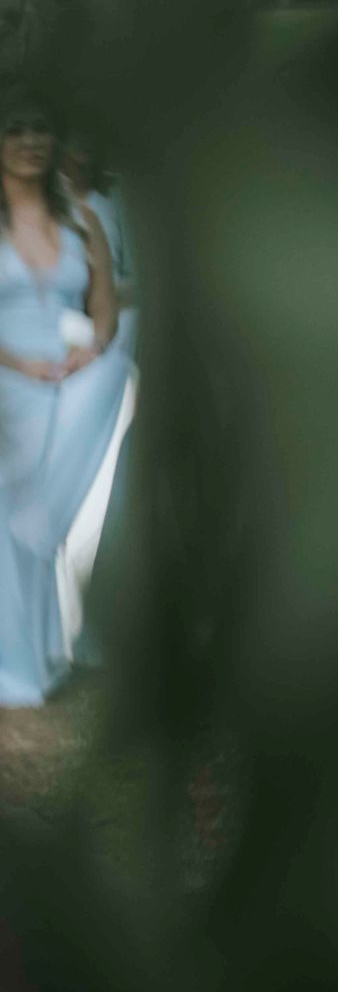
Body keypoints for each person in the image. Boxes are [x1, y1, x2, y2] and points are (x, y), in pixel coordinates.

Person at [0, 90, 133, 706]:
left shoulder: (84, 217)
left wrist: (93, 345)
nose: (30, 141)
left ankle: (39, 641)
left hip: (67, 369)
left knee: (122, 361)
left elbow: (103, 309)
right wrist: (16, 361)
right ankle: (16, 656)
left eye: (40, 130)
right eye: (15, 129)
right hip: (5, 367)